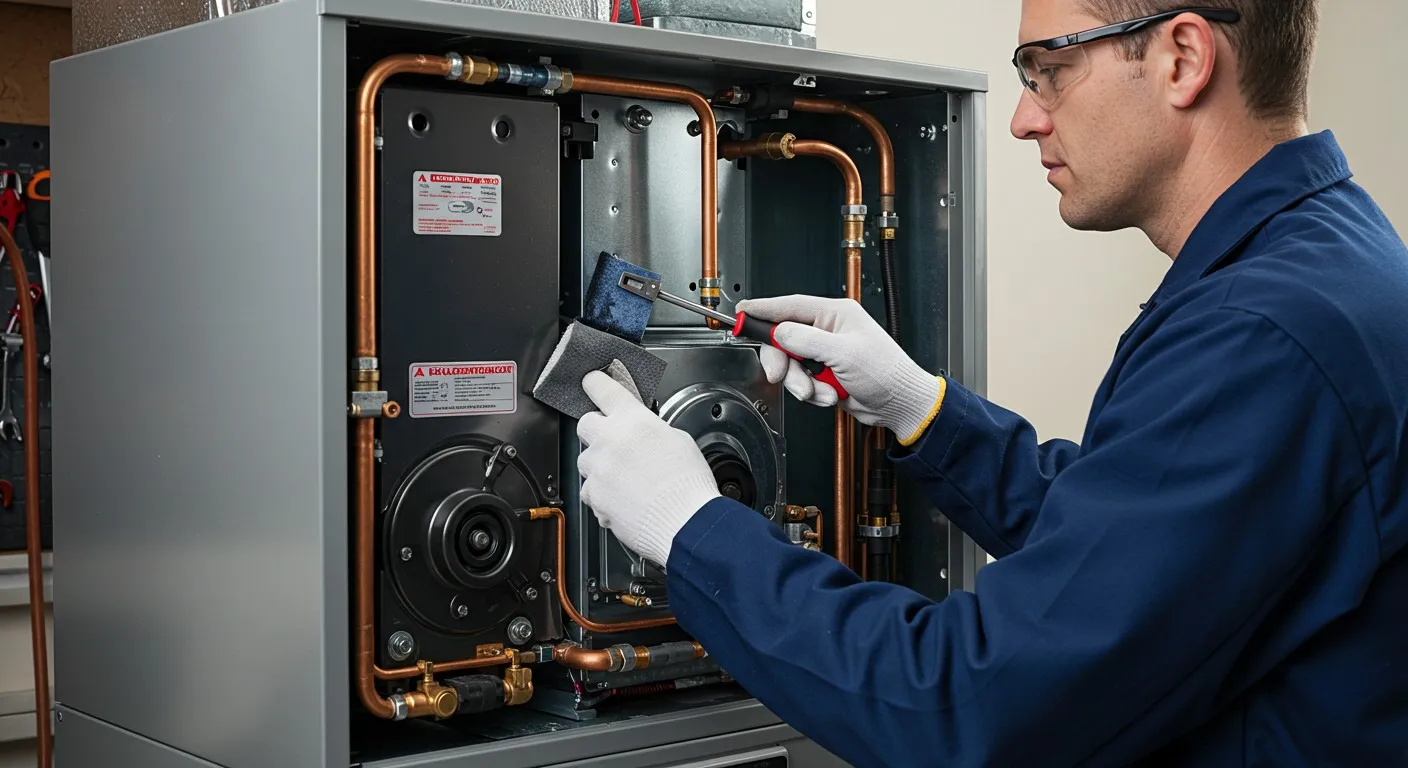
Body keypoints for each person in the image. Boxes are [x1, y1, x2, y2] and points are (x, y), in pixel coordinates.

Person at [574, 0, 1408, 764]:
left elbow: (971, 706)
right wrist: (919, 407)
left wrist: (691, 529)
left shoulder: (1261, 334)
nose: (1021, 118)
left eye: (1049, 69)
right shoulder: (1325, 262)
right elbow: (1138, 554)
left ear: (1182, 59)